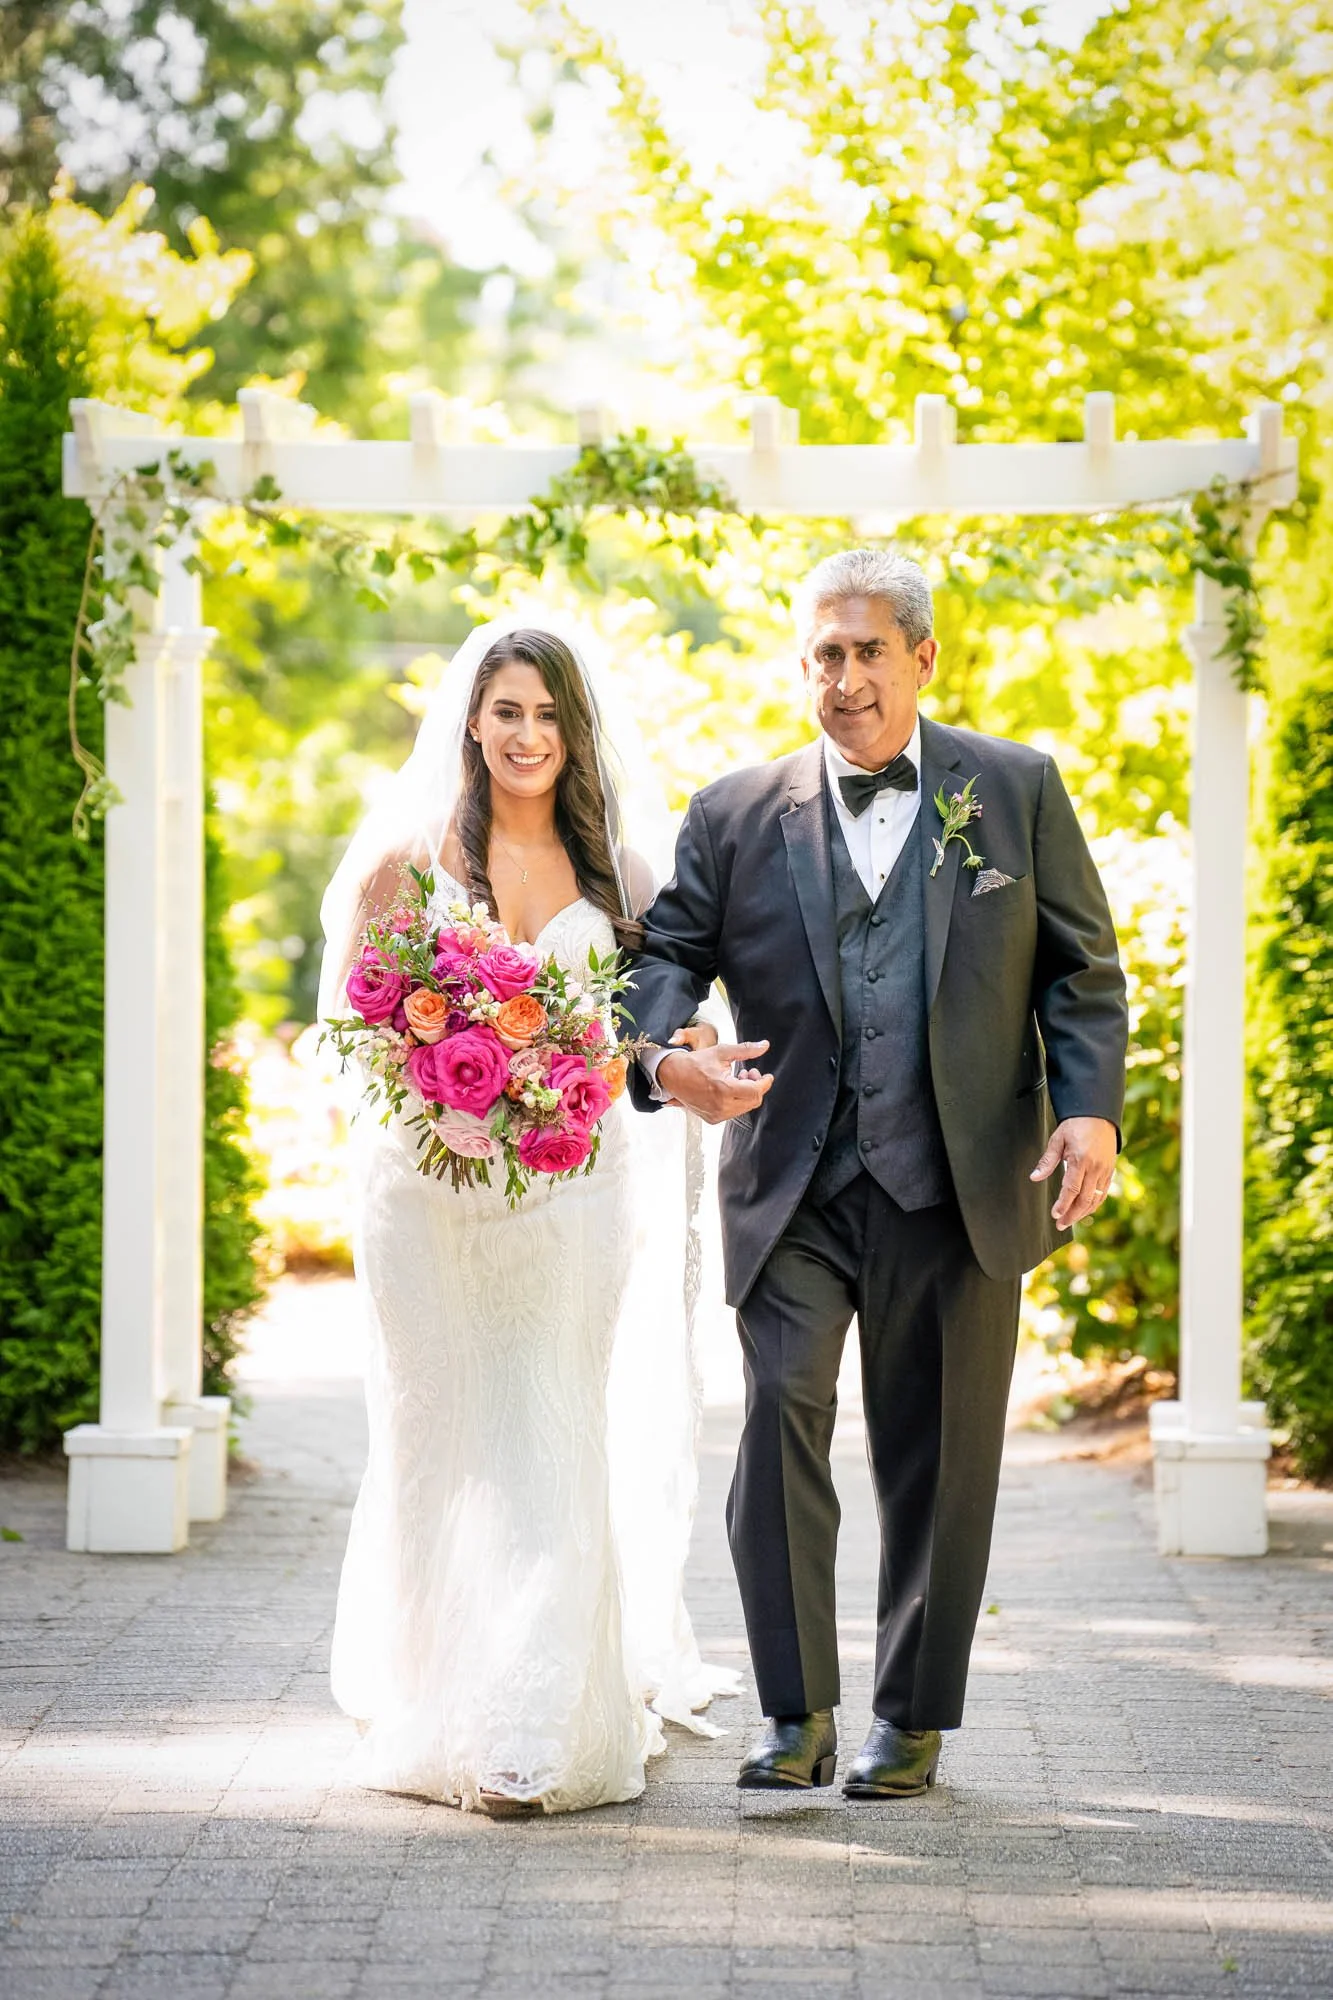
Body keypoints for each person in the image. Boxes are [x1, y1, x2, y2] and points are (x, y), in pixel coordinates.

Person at [625, 548, 1128, 1798]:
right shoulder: (734, 812)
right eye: (823, 655)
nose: (844, 679)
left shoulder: (1012, 789)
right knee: (780, 1421)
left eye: (866, 652)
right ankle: (792, 1710)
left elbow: (1081, 971)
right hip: (790, 1178)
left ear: (922, 657)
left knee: (940, 1452)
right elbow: (666, 958)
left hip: (958, 1182)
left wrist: (1091, 1113)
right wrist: (658, 1053)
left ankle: (909, 1715)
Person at [318, 615, 736, 1817]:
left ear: (576, 728)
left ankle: (533, 1728)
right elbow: (357, 1026)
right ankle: (435, 1689)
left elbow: (666, 1020)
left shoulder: (621, 873)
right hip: (427, 1198)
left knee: (550, 1428)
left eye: (549, 713)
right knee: (442, 1440)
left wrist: (686, 1051)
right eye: (508, 710)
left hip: (575, 1195)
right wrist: (451, 1078)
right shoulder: (410, 862)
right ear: (471, 719)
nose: (528, 734)